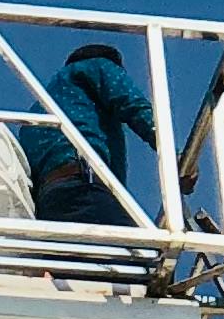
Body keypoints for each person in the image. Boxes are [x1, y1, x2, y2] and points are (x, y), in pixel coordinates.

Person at [32, 40, 158, 224]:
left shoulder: (38, 110)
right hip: (85, 186)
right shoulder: (97, 66)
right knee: (139, 250)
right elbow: (133, 104)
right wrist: (174, 157)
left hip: (49, 201)